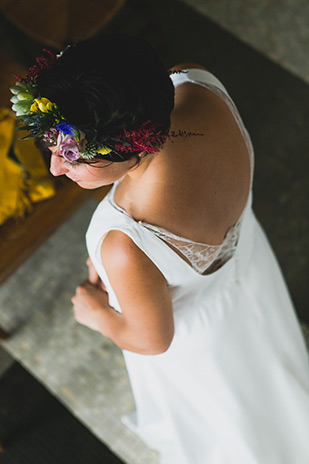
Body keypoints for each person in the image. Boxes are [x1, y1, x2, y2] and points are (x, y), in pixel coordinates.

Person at [11, 34, 309, 464]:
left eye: (74, 154)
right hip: (249, 268)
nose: (55, 167)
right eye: (51, 145)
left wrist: (96, 313)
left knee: (226, 415)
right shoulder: (195, 82)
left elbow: (152, 339)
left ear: (130, 143)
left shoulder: (125, 238)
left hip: (200, 335)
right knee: (268, 368)